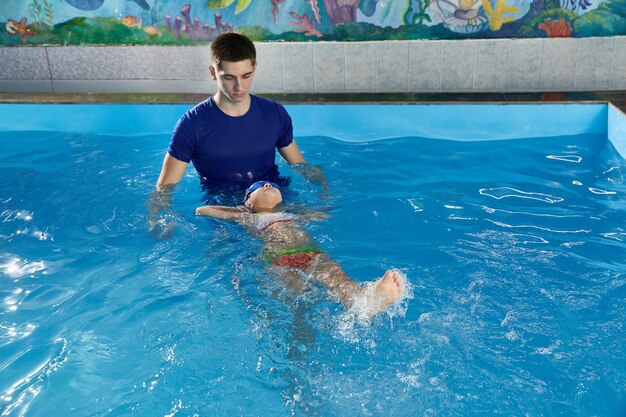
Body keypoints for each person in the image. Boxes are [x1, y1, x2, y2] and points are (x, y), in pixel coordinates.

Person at [195, 181, 405, 316]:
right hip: (278, 259)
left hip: (313, 255)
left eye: (271, 185)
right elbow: (203, 210)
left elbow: (326, 213)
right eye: (260, 186)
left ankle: (368, 301)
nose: (268, 184)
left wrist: (323, 197)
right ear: (248, 201)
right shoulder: (248, 215)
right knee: (299, 309)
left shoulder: (293, 214)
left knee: (341, 283)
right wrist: (239, 210)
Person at [155, 32, 325, 191]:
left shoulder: (274, 114)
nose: (239, 87)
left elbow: (301, 166)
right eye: (229, 77)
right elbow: (164, 190)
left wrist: (325, 192)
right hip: (224, 209)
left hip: (274, 198)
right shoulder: (191, 125)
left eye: (246, 76)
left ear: (254, 68)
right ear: (213, 73)